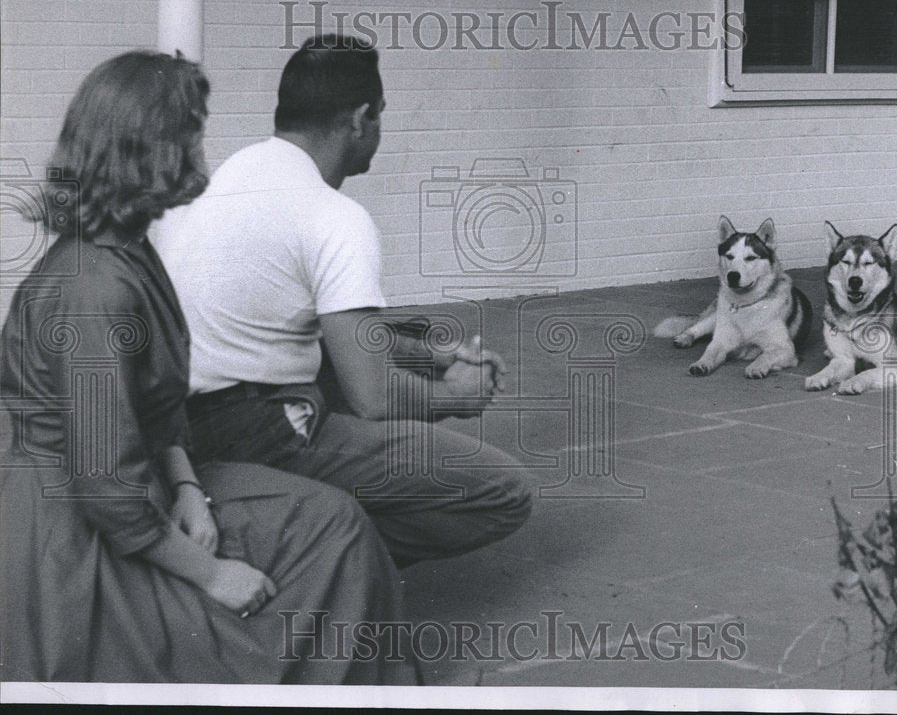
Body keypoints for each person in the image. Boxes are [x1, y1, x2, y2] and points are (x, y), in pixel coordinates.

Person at [0, 50, 418, 684]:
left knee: (331, 518)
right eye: (190, 132)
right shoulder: (91, 289)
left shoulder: (128, 247)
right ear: (150, 148)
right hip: (71, 532)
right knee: (324, 542)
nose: (200, 148)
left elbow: (155, 412)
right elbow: (103, 485)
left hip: (139, 487)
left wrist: (190, 489)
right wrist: (214, 576)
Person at [152, 34, 532, 569]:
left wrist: (433, 358)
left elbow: (329, 333)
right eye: (379, 116)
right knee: (504, 489)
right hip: (254, 430)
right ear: (359, 120)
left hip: (177, 425)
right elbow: (372, 395)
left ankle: (301, 522)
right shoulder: (333, 217)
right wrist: (455, 395)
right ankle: (308, 551)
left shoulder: (232, 174)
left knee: (352, 368)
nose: (377, 128)